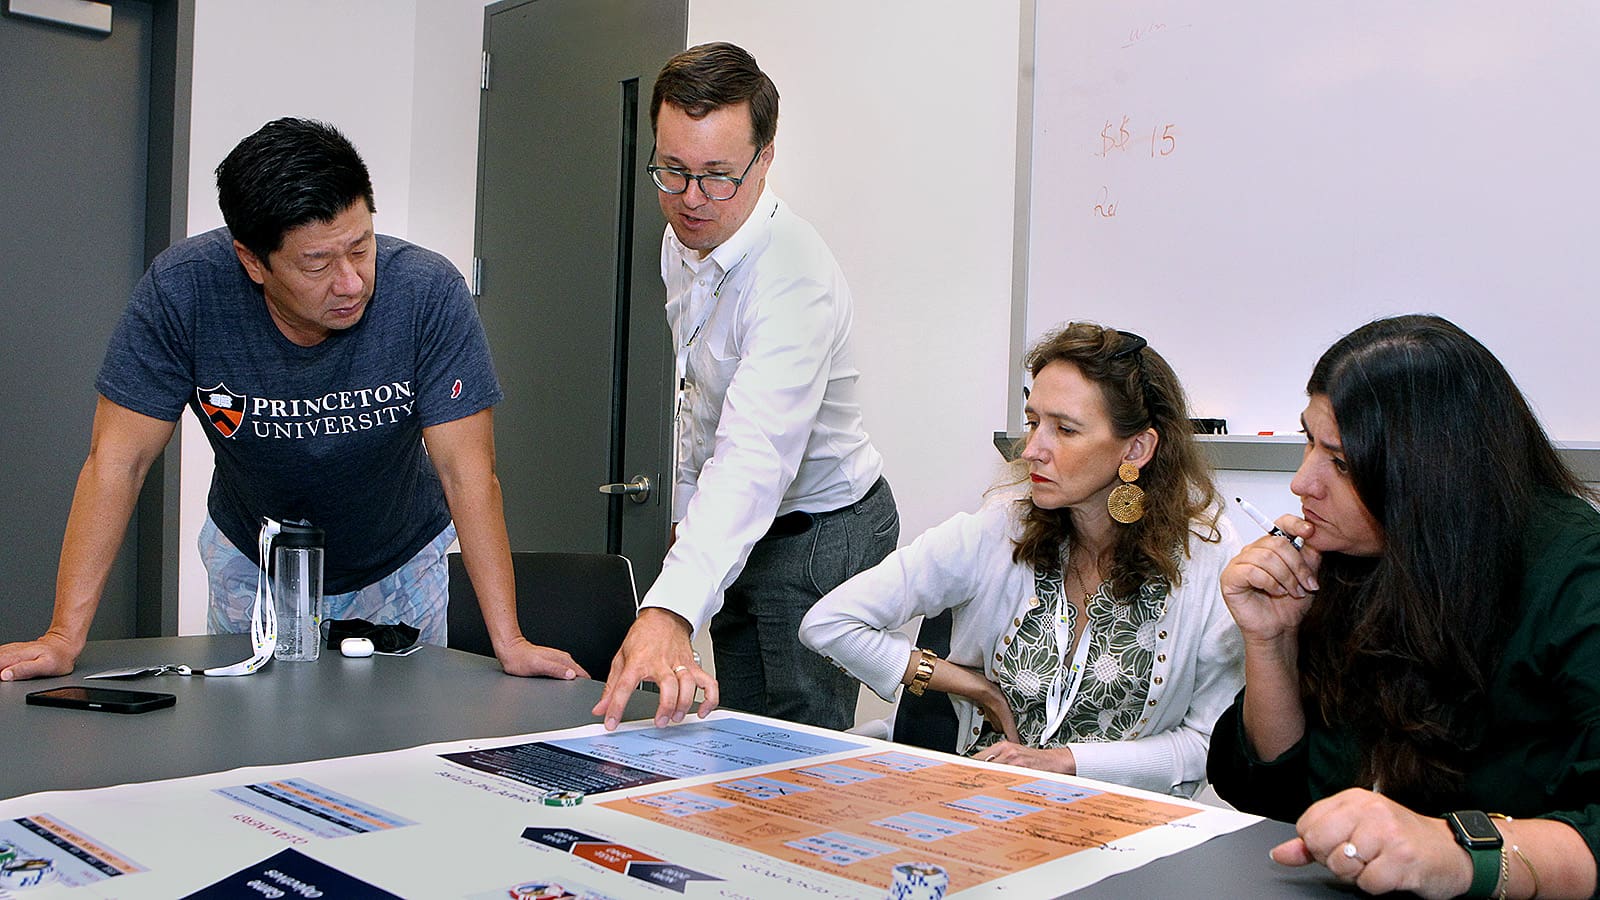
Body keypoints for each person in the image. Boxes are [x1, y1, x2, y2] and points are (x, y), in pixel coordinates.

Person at [0, 118, 583, 683]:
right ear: (253, 260)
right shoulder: (184, 291)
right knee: (250, 736)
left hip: (400, 560)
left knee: (398, 748)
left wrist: (509, 640)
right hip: (253, 561)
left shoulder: (426, 292)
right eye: (317, 263)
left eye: (361, 247)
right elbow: (117, 464)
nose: (351, 280)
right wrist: (62, 636)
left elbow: (468, 471)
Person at [1208, 314, 1600, 898]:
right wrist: (1271, 645)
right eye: (1307, 442)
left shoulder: (1575, 577)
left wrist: (1455, 850)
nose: (1301, 483)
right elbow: (1277, 799)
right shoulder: (1343, 557)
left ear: (1432, 474)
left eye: (1341, 463)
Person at [592, 43, 899, 732]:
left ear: (765, 159)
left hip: (823, 527)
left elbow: (757, 452)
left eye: (717, 175)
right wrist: (686, 508)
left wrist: (669, 610)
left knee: (794, 753)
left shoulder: (791, 276)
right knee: (733, 733)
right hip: (747, 520)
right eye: (672, 171)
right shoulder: (683, 239)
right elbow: (692, 388)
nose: (691, 199)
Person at [801, 323, 1244, 797]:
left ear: (1136, 448)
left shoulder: (1207, 555)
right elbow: (829, 623)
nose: (1032, 450)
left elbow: (1206, 742)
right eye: (1034, 422)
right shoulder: (1001, 526)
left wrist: (1066, 763)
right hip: (983, 812)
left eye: (1065, 430)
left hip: (1125, 828)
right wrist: (969, 686)